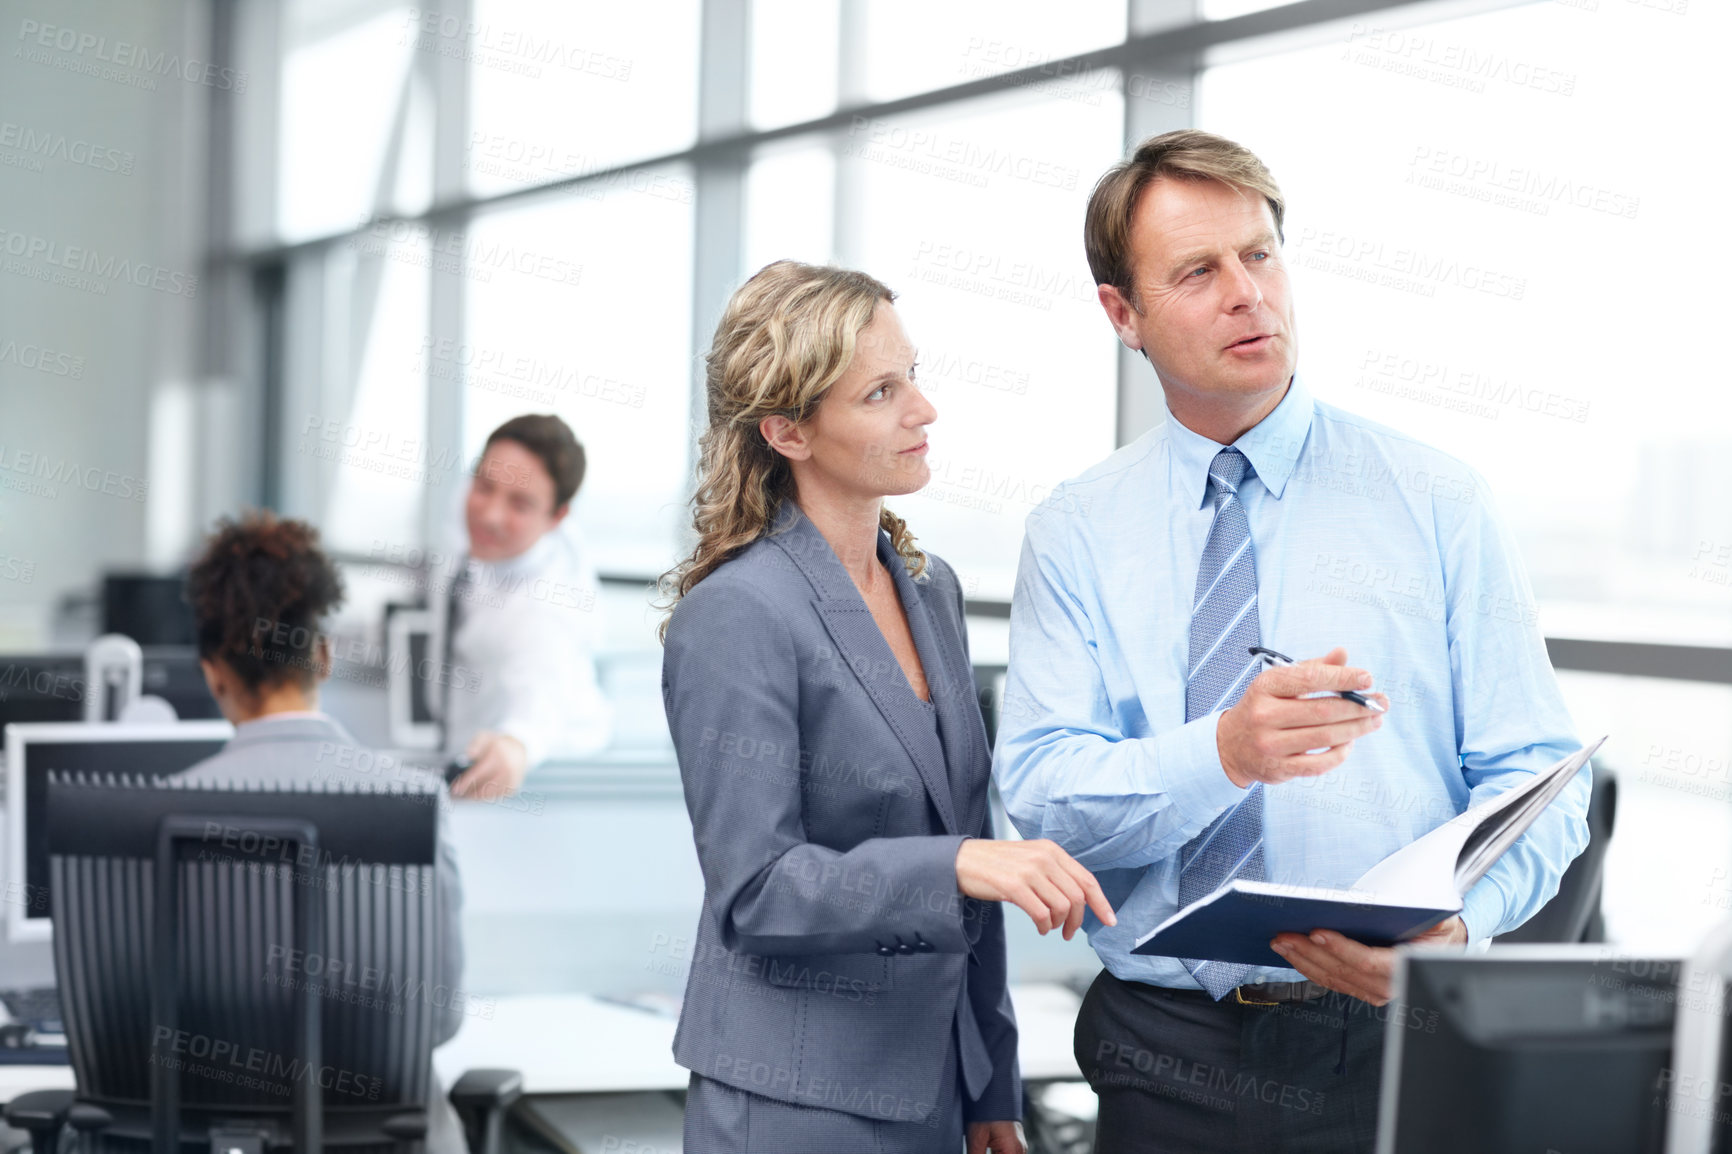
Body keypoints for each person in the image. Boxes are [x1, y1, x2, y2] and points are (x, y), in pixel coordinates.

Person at [992, 130, 1591, 1153]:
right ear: (1120, 313)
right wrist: (1221, 754)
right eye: (1197, 270)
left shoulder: (1437, 500)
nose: (1246, 293)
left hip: (1386, 1038)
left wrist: (1462, 929)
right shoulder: (1075, 528)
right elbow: (1046, 801)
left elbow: (1541, 774)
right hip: (1164, 1050)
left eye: (1259, 253)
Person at [659, 260, 1115, 1154]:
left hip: (937, 1088)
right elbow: (756, 892)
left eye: (913, 376)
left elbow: (968, 830)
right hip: (797, 1102)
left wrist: (993, 1085)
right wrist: (954, 865)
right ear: (788, 430)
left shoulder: (926, 587)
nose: (924, 410)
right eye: (880, 392)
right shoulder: (737, 614)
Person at [179, 511, 468, 1154]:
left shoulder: (157, 812)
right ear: (324, 655)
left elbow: (127, 1022)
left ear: (211, 672)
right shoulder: (415, 801)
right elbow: (440, 1016)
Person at [434, 413, 611, 799]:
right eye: (484, 486)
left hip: (538, 795)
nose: (490, 514)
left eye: (520, 503)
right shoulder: (481, 554)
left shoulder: (548, 603)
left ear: (558, 516)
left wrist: (517, 743)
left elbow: (542, 684)